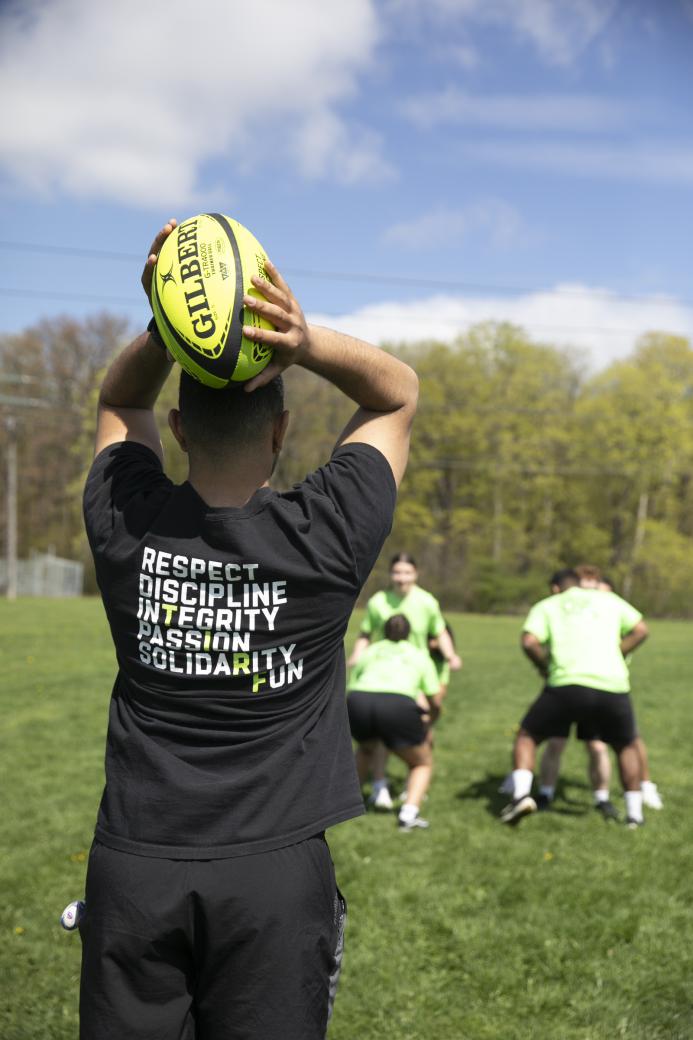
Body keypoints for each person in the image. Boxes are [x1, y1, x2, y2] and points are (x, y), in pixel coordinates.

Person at [78, 219, 419, 1039]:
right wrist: (296, 341)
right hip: (274, 870)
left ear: (181, 431)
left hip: (135, 861)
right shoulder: (328, 531)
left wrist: (173, 324)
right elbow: (396, 390)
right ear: (282, 430)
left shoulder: (127, 522)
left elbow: (120, 400)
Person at [501, 568, 649, 828]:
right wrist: (618, 651)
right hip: (612, 684)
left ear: (556, 588)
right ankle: (635, 815)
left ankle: (521, 796)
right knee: (624, 746)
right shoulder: (608, 599)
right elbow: (640, 630)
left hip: (567, 684)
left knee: (527, 736)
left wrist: (545, 667)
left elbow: (529, 641)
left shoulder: (549, 604)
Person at [537, 566, 662, 816]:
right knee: (556, 742)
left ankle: (622, 793)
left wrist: (617, 651)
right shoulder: (569, 608)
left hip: (606, 683)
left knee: (606, 744)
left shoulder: (609, 604)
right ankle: (543, 793)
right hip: (570, 680)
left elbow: (638, 630)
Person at [347, 554, 461, 809]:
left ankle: (416, 786)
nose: (402, 578)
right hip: (387, 671)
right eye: (397, 572)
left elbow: (439, 630)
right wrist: (356, 654)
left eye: (407, 573)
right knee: (382, 731)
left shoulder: (426, 602)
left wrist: (451, 655)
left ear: (416, 574)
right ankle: (380, 785)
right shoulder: (378, 601)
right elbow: (366, 633)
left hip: (420, 671)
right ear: (391, 574)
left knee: (425, 726)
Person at [347, 614, 439, 831]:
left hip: (358, 701)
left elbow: (353, 683)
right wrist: (430, 720)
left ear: (383, 631)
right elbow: (434, 698)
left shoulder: (370, 650)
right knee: (421, 763)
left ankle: (348, 804)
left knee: (367, 748)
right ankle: (408, 816)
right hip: (397, 704)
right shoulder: (419, 654)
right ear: (410, 634)